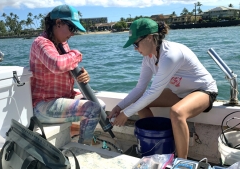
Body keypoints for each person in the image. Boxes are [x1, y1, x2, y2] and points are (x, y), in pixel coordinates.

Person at [108, 18, 218, 158]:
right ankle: (157, 143)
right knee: (140, 104)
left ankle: (181, 162)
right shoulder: (148, 58)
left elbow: (154, 92)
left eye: (136, 44)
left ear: (149, 38)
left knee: (177, 113)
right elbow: (140, 88)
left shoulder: (170, 54)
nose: (135, 49)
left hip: (204, 91)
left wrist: (126, 114)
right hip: (178, 93)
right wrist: (119, 107)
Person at [30, 4, 103, 145]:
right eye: (72, 28)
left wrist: (83, 75)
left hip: (61, 98)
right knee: (93, 109)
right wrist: (77, 53)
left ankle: (80, 138)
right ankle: (85, 147)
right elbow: (57, 64)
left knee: (101, 105)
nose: (73, 33)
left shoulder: (63, 45)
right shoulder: (41, 43)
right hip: (43, 105)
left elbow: (68, 68)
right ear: (58, 23)